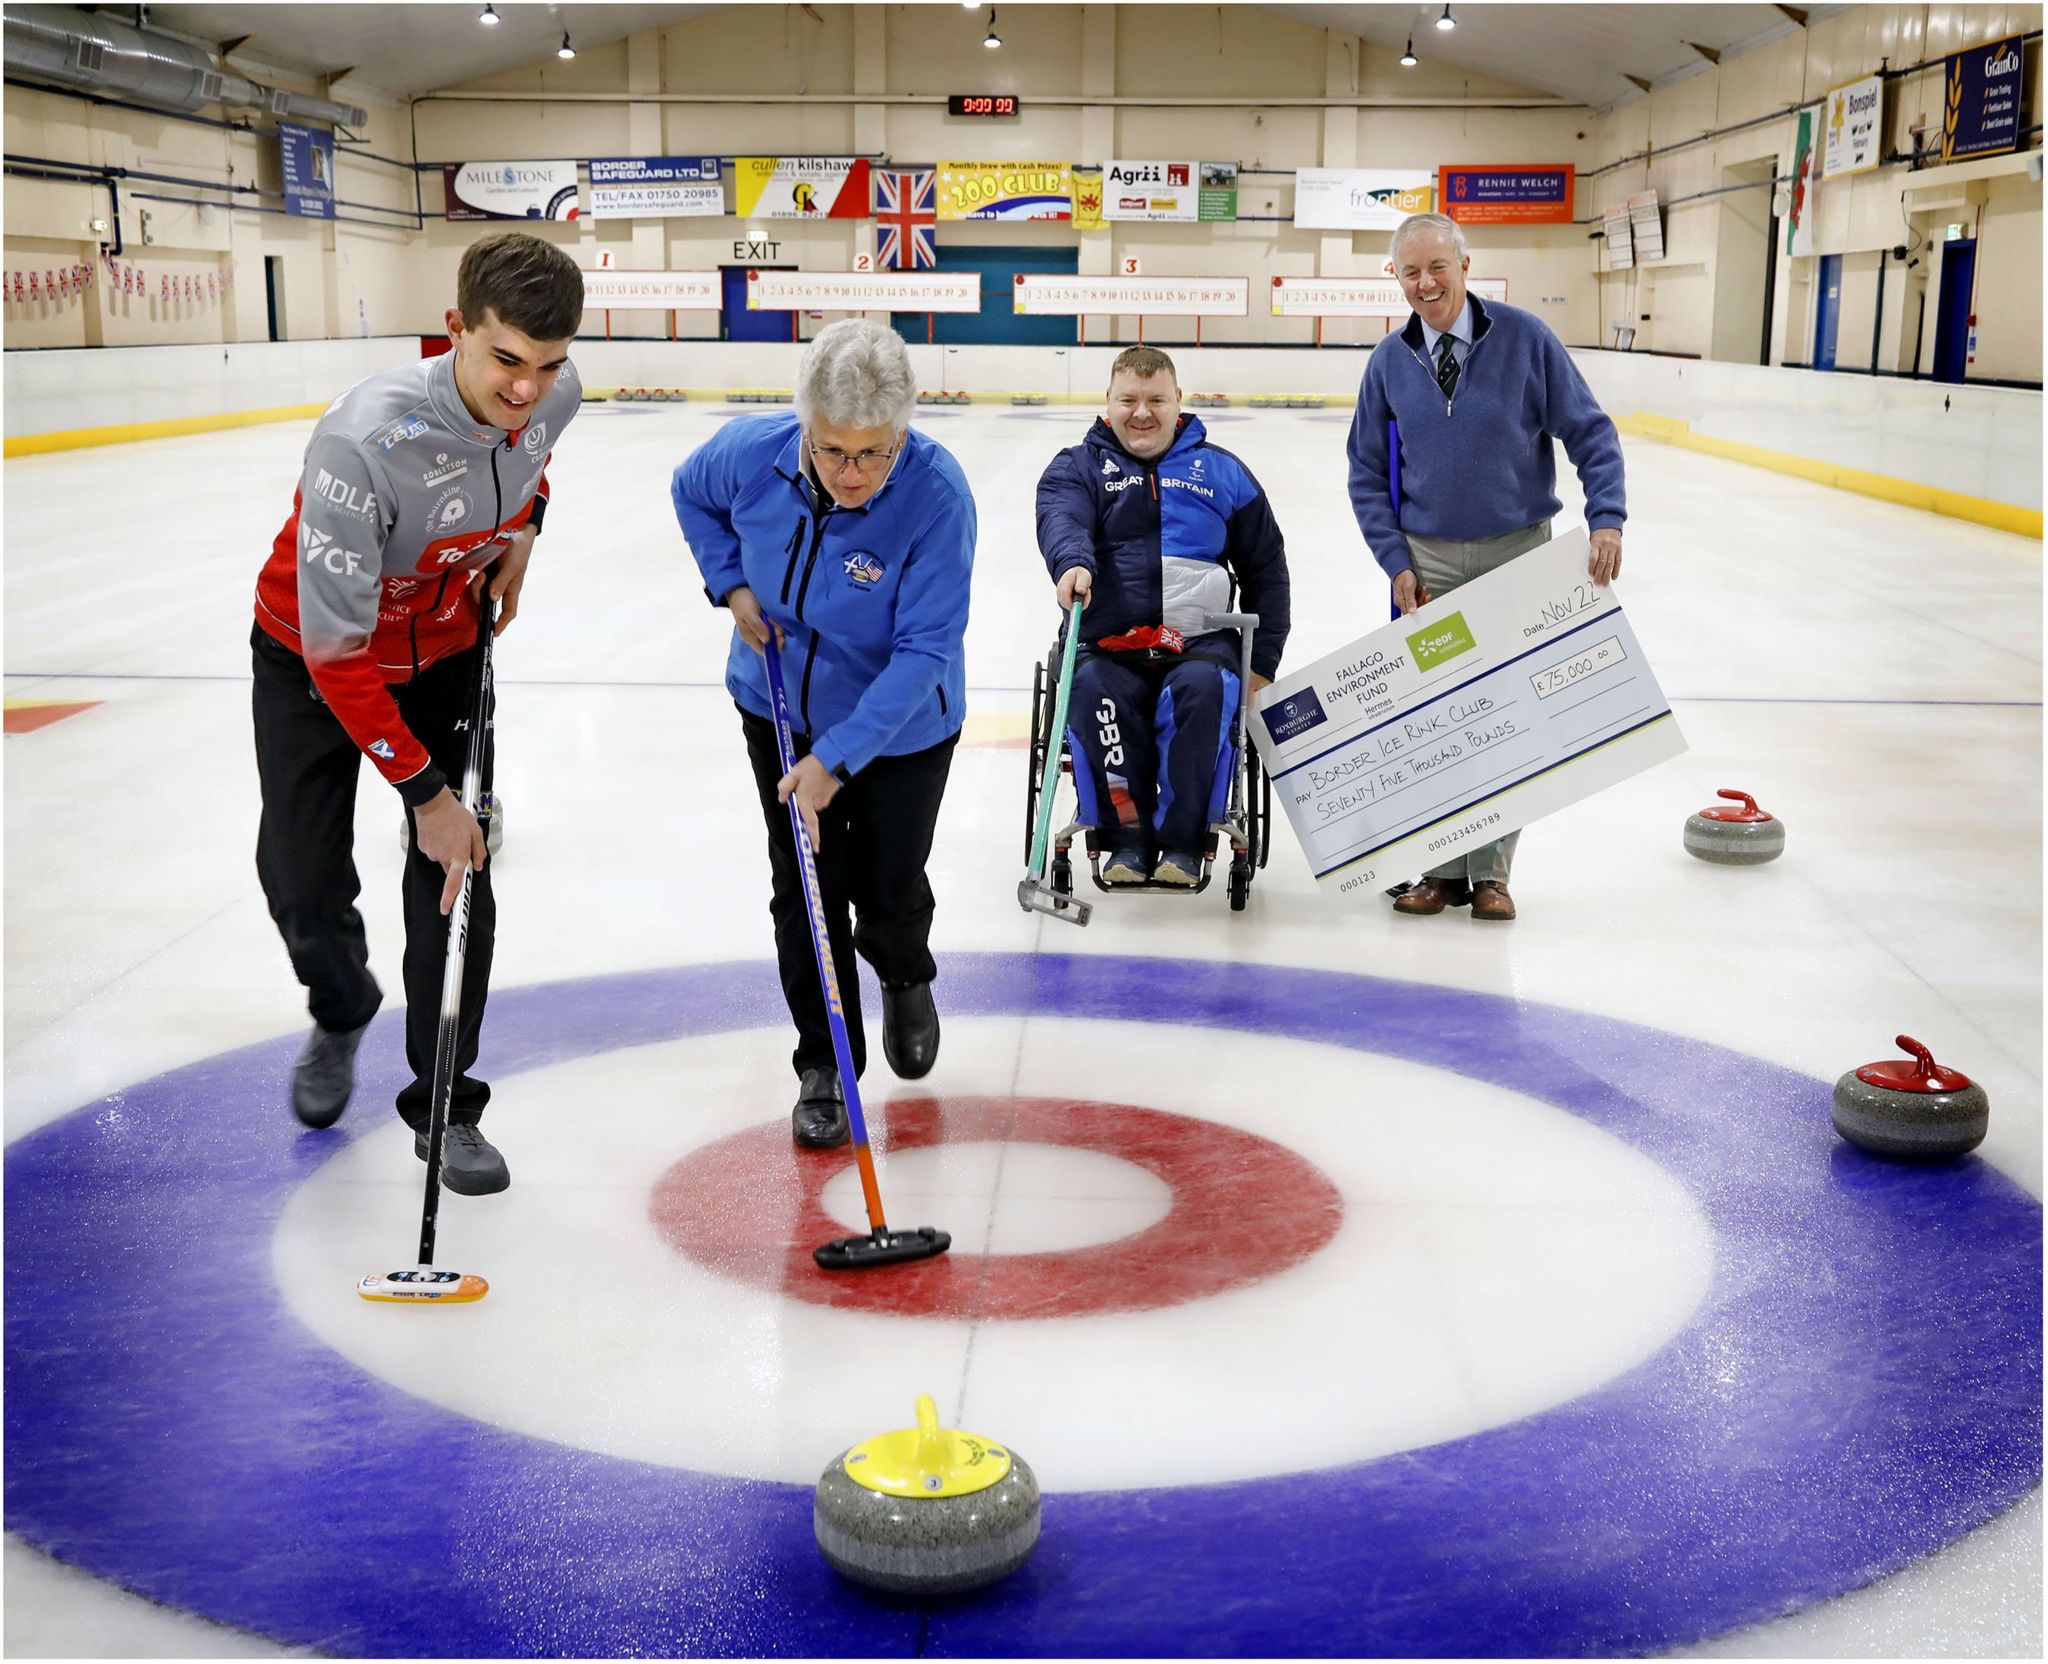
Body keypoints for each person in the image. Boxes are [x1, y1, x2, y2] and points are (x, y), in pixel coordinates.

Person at [251, 231, 584, 1192]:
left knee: (454, 881)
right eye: (506, 360)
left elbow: (527, 465)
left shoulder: (553, 394)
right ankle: (342, 1001)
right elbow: (338, 653)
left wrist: (524, 531)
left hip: (446, 645)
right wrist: (427, 791)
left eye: (549, 364)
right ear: (455, 331)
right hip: (315, 657)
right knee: (304, 883)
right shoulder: (361, 441)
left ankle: (445, 1105)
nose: (528, 388)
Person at [670, 319, 976, 1149]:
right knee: (805, 888)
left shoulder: (936, 498)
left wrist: (835, 760)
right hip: (774, 707)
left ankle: (905, 973)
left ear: (903, 430)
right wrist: (730, 586)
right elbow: (690, 492)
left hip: (900, 725)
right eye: (835, 451)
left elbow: (925, 651)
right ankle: (824, 1063)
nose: (853, 473)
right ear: (804, 424)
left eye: (875, 453)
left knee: (885, 885)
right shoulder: (749, 453)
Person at [1347, 211, 1627, 923]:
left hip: (1518, 554)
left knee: (1508, 715)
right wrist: (1395, 561)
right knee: (1439, 717)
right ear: (1397, 278)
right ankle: (1439, 871)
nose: (1425, 282)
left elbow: (1589, 431)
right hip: (1430, 563)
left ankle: (1492, 875)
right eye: (1410, 272)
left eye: (1437, 266)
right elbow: (1366, 475)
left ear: (1465, 266)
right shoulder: (1387, 363)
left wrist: (1607, 516)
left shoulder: (1526, 338)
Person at [1035, 346, 1291, 886]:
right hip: (1108, 643)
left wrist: (1262, 664)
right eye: (1128, 399)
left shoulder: (1222, 472)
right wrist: (1072, 562)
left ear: (1179, 402)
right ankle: (1125, 843)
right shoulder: (1077, 468)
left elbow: (1267, 571)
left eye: (1156, 399)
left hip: (1198, 643)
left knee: (1203, 690)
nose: (1142, 412)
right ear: (1108, 403)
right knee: (1092, 691)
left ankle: (1181, 844)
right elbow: (1062, 520)